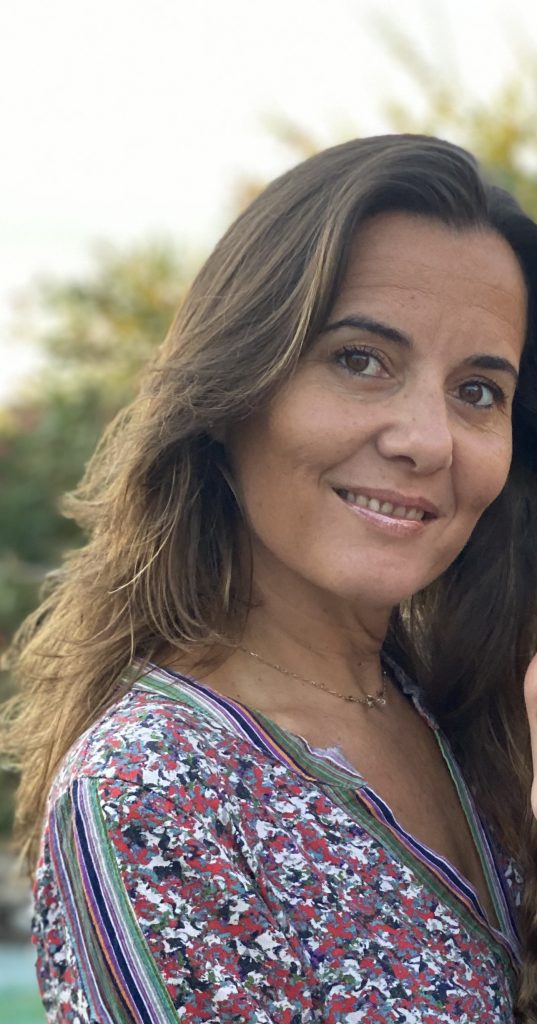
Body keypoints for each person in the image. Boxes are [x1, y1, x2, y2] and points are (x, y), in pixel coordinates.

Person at [4, 133, 537, 1023]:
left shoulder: (471, 716)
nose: (427, 440)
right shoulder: (156, 791)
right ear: (233, 393)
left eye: (477, 391)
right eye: (360, 360)